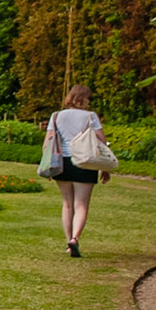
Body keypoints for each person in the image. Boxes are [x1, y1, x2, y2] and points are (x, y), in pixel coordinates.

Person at [45, 83, 110, 257]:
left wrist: (48, 166)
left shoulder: (56, 116)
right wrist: (104, 167)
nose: (89, 102)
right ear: (82, 98)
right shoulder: (90, 116)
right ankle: (74, 238)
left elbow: (48, 141)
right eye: (88, 98)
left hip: (63, 162)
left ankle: (68, 242)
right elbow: (101, 141)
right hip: (85, 161)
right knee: (81, 205)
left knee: (67, 204)